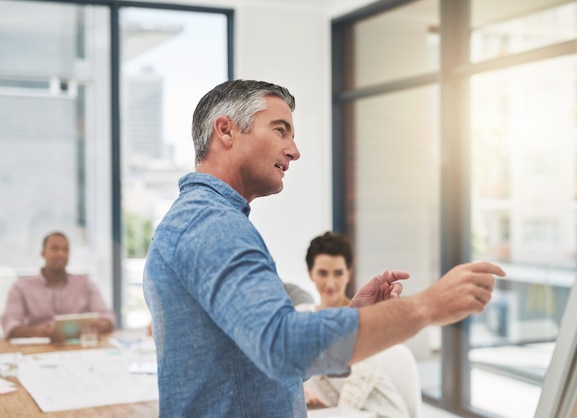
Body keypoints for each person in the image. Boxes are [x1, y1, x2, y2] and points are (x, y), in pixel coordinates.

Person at [143, 79, 505, 417]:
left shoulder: (203, 220)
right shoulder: (214, 225)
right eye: (280, 130)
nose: (295, 151)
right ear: (226, 131)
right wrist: (429, 306)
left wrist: (351, 316)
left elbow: (258, 360)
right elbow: (282, 347)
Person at [298, 231, 410, 418]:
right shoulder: (300, 316)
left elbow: (347, 409)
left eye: (338, 273)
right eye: (323, 273)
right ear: (310, 274)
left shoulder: (362, 319)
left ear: (348, 274)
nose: (330, 283)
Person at [1, 231, 116, 341]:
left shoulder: (85, 283)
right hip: (37, 349)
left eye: (65, 249)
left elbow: (107, 316)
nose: (61, 254)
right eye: (55, 248)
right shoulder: (21, 287)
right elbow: (9, 323)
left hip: (77, 347)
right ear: (43, 253)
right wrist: (38, 333)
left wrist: (99, 327)